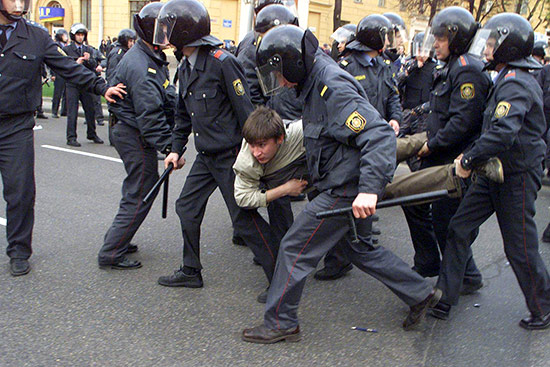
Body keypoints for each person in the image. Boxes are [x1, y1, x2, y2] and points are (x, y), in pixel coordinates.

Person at [242, 25, 441, 344]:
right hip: (336, 180)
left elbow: (377, 136)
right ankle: (419, 292)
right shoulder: (311, 79)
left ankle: (281, 322)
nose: (278, 81)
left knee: (294, 247)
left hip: (345, 187)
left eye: (279, 73)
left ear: (293, 62)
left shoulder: (330, 85)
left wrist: (368, 190)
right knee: (357, 247)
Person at [431, 13, 550, 330]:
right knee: (459, 227)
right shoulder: (506, 77)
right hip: (494, 170)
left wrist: (467, 160)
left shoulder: (516, 84)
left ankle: (543, 307)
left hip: (516, 175)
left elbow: (502, 133)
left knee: (520, 246)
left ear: (509, 48)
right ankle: (444, 296)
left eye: (494, 42)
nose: (487, 47)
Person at [0, 0, 125, 276]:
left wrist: (100, 86)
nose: (19, 3)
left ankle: (19, 251)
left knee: (20, 191)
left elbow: (68, 67)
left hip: (15, 126)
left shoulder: (35, 36)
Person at [154, 0, 255, 289]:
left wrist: (254, 154)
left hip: (230, 156)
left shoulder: (222, 63)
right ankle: (190, 270)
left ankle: (279, 277)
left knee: (244, 220)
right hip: (206, 156)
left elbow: (245, 112)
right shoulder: (185, 66)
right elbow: (182, 116)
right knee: (186, 207)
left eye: (169, 28)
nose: (165, 35)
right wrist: (175, 149)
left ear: (185, 31)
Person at [315, 14, 402, 281]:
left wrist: (395, 118)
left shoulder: (383, 65)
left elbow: (393, 96)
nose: (390, 42)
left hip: (376, 142)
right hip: (352, 143)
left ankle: (360, 245)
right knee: (343, 202)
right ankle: (339, 258)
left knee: (365, 197)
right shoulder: (345, 66)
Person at [415, 7, 490, 285]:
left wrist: (431, 145)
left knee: (447, 222)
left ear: (457, 39)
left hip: (451, 161)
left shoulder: (467, 70)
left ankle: (462, 277)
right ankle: (436, 264)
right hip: (439, 156)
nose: (436, 42)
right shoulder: (453, 66)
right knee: (423, 209)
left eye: (442, 37)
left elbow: (463, 123)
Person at [97, 2, 174, 270]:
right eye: (162, 29)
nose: (167, 35)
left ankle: (118, 238)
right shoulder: (142, 65)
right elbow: (150, 115)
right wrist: (170, 148)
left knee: (136, 188)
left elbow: (166, 96)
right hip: (133, 132)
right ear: (149, 31)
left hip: (131, 129)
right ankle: (111, 252)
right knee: (141, 190)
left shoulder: (149, 57)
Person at [63, 23, 104, 146]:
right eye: (78, 35)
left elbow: (94, 65)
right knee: (72, 111)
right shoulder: (67, 49)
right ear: (73, 36)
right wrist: (77, 62)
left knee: (90, 109)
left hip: (85, 83)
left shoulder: (88, 49)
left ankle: (92, 133)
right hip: (73, 83)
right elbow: (64, 65)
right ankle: (71, 137)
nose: (80, 37)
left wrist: (89, 59)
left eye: (82, 35)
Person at [105, 28, 137, 145]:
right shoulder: (117, 53)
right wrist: (113, 86)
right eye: (130, 41)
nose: (132, 44)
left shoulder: (126, 52)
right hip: (116, 87)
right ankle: (113, 138)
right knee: (114, 113)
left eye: (133, 41)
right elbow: (112, 72)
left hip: (123, 87)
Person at [51, 28, 69, 118]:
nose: (66, 37)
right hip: (58, 72)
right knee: (57, 93)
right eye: (64, 35)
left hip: (65, 72)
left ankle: (64, 111)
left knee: (66, 92)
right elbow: (52, 60)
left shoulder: (66, 46)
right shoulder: (56, 46)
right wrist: (53, 74)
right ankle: (54, 110)